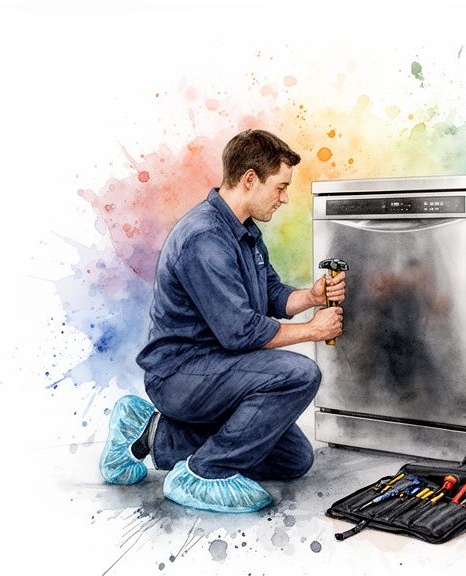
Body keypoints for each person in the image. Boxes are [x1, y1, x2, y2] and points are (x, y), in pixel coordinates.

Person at [99, 129, 346, 512]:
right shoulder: (203, 237)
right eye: (280, 187)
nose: (284, 198)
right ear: (250, 179)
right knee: (300, 374)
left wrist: (311, 297)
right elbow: (240, 331)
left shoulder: (245, 232)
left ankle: (151, 434)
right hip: (181, 374)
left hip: (222, 369)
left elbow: (273, 296)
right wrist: (313, 330)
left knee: (294, 458)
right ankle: (203, 473)